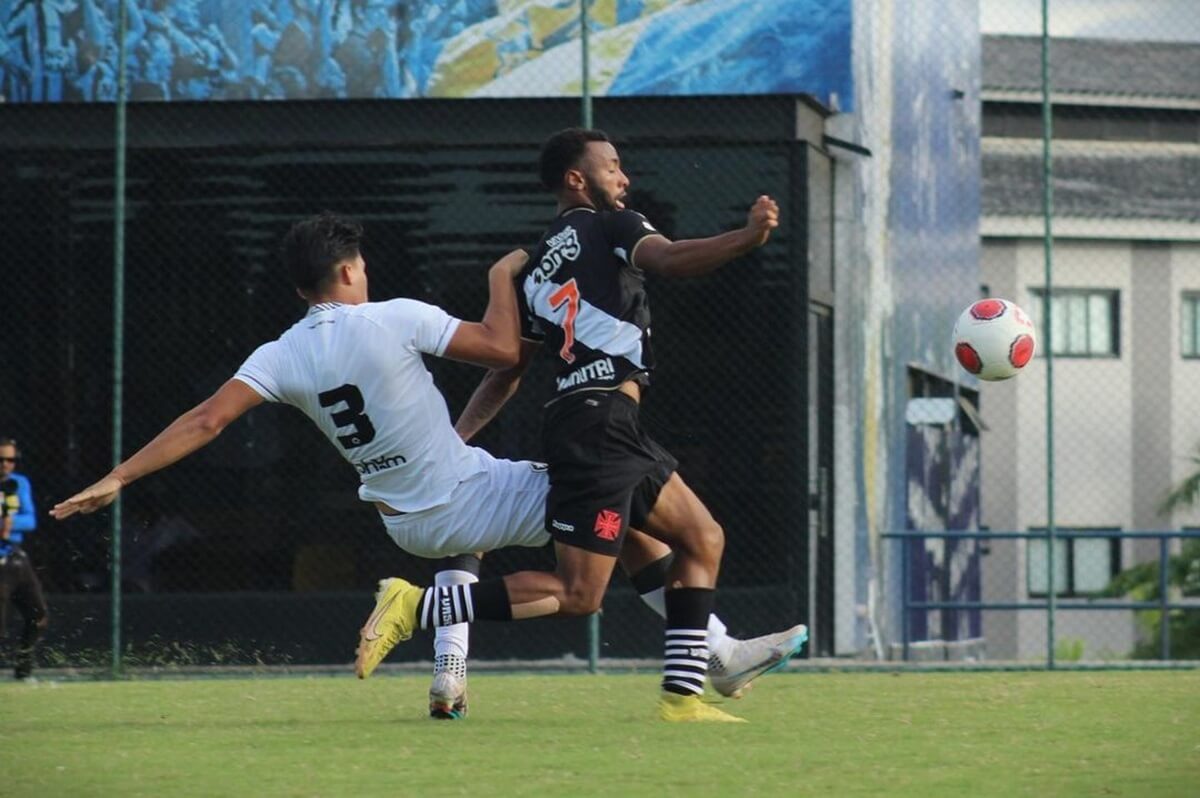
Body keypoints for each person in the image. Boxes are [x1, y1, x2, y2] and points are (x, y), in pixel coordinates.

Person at [49, 211, 800, 718]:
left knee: (630, 517)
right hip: (464, 500)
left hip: (407, 520)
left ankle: (718, 651)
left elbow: (205, 420)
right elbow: (505, 351)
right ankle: (423, 608)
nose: (367, 274)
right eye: (363, 265)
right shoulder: (392, 317)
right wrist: (504, 278)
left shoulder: (279, 353)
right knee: (587, 574)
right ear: (348, 271)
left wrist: (120, 476)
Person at [351, 128, 791, 723]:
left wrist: (458, 436)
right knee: (581, 594)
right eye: (613, 167)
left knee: (701, 537)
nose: (624, 178)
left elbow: (506, 373)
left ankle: (687, 692)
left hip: (596, 423)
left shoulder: (535, 269)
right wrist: (747, 237)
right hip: (601, 424)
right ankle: (417, 606)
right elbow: (670, 258)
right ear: (577, 180)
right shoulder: (612, 225)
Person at [1, 437, 49, 681]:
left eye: (11, 459)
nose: (6, 464)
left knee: (38, 616)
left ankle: (23, 670)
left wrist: (8, 523)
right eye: (1, 459)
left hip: (15, 557)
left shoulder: (19, 484)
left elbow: (30, 520)